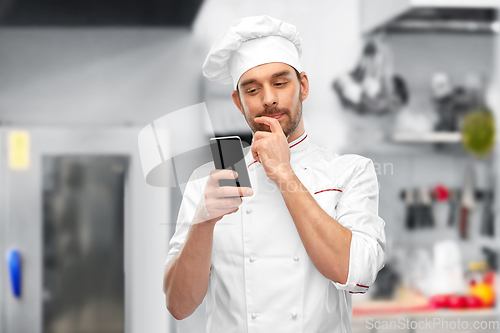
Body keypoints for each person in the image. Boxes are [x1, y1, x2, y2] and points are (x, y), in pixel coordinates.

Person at [163, 15, 386, 333]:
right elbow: (179, 306)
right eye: (252, 89)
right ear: (239, 103)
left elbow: (357, 276)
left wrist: (283, 173)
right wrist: (203, 222)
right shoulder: (210, 179)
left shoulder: (349, 172)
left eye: (280, 83)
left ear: (303, 86)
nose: (268, 98)